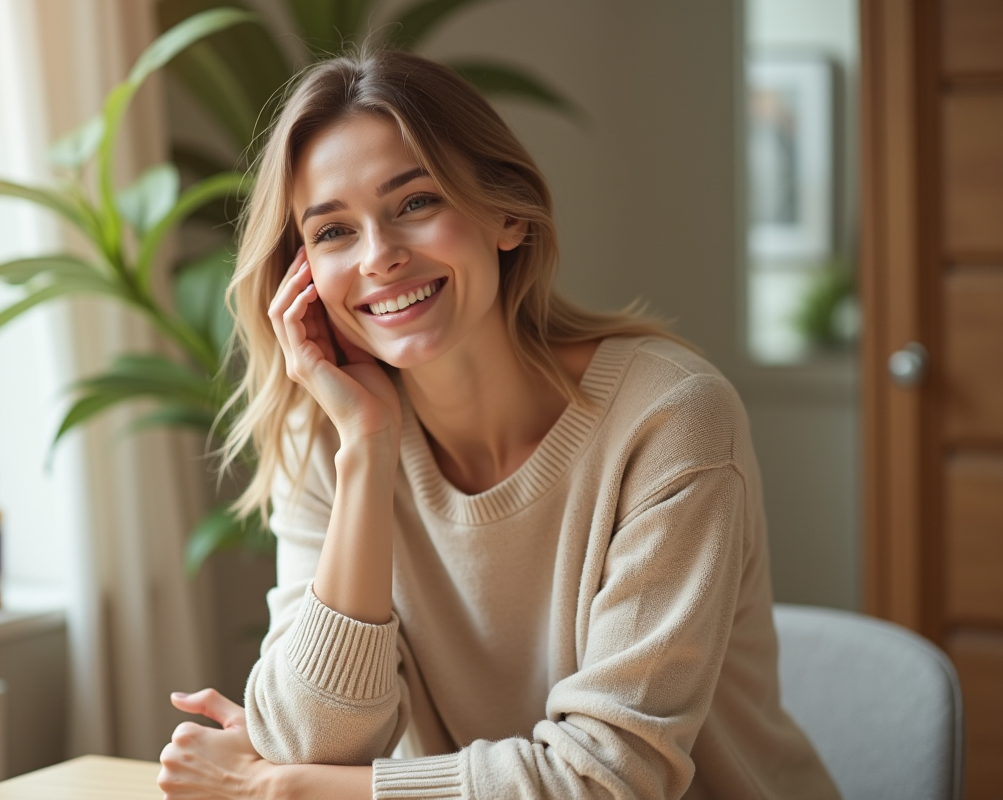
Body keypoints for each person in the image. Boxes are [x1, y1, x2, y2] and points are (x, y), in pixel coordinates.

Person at [157, 48, 842, 800]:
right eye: (332, 232)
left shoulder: (669, 416)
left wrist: (287, 790)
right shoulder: (330, 432)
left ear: (508, 214)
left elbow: (610, 779)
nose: (380, 256)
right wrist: (368, 449)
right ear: (303, 278)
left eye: (415, 203)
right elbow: (313, 740)